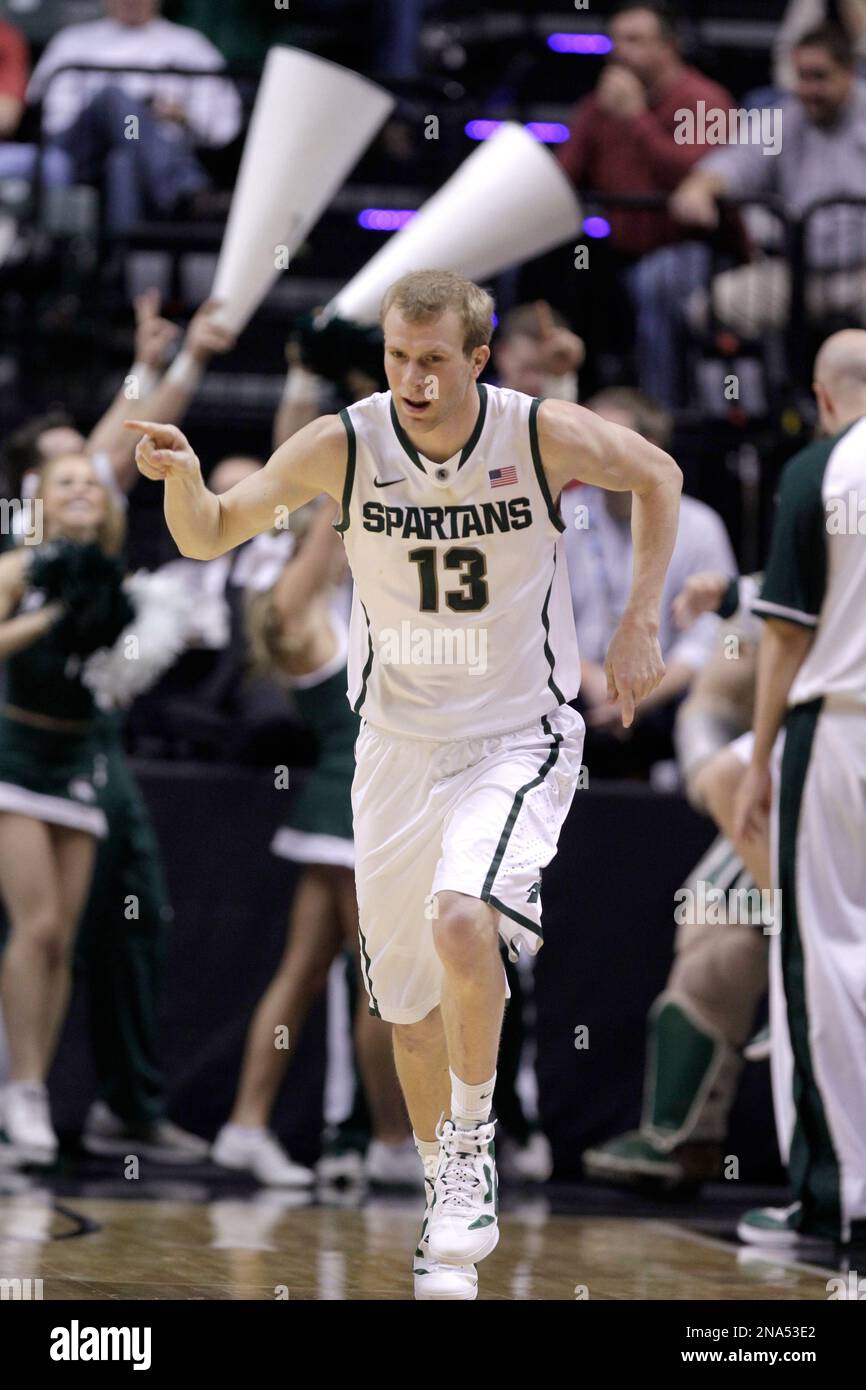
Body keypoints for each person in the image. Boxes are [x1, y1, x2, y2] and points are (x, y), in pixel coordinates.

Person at [127, 267, 681, 1300]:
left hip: (515, 734)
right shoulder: (344, 441)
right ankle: (444, 1205)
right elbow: (208, 532)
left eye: (433, 360)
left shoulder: (536, 433)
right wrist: (180, 477)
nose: (412, 380)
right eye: (396, 358)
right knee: (401, 1004)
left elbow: (656, 472)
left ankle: (469, 1147)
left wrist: (638, 616)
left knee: (463, 918)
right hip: (390, 746)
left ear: (476, 359)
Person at [212, 498, 418, 1189]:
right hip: (352, 819)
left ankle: (245, 1127)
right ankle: (392, 1143)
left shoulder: (355, 611)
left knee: (302, 976)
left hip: (360, 818)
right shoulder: (298, 622)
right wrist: (340, 482)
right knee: (381, 989)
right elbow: (319, 547)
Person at [734, 329, 866, 1248]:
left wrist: (757, 757)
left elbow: (782, 633)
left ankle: (839, 1193)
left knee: (822, 956)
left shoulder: (823, 468)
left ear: (822, 397)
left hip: (839, 730)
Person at [583, 570, 773, 1192]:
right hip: (794, 790)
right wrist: (716, 770)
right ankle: (680, 1136)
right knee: (715, 916)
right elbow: (712, 706)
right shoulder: (788, 579)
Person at [0, 454, 130, 1164]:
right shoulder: (21, 570)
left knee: (64, 942)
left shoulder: (118, 577)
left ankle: (32, 1086)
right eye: (65, 481)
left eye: (92, 482)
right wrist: (54, 616)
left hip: (79, 763)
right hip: (13, 756)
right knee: (38, 923)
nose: (82, 490)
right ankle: (19, 1090)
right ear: (40, 502)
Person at [557, 1, 740, 405]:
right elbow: (563, 174)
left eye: (635, 40)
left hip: (696, 250)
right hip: (619, 249)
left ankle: (664, 414)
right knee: (554, 264)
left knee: (658, 278)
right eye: (615, 40)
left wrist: (636, 118)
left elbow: (698, 177)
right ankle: (567, 402)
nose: (620, 51)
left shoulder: (703, 99)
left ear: (669, 46)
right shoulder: (599, 104)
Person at [562, 388, 736, 777]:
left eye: (608, 439)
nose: (594, 453)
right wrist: (591, 679)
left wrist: (648, 693)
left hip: (666, 695)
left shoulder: (700, 525)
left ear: (649, 447)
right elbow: (539, 618)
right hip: (576, 690)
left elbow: (713, 633)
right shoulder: (562, 517)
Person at [672, 25, 866, 340]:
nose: (808, 89)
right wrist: (701, 186)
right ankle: (749, 391)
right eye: (801, 76)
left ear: (849, 72)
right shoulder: (786, 117)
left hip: (860, 273)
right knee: (710, 310)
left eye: (819, 76)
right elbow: (737, 160)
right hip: (794, 273)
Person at [26, 0, 242, 231]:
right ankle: (183, 187)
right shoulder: (73, 41)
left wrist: (183, 117)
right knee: (115, 101)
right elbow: (55, 119)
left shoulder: (189, 45)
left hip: (158, 151)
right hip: (82, 149)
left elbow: (223, 126)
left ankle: (125, 259)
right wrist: (126, 114)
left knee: (123, 161)